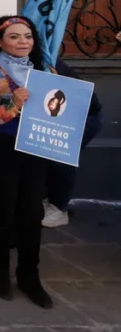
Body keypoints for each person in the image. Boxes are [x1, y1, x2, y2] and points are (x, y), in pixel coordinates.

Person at [0, 15, 53, 308]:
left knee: (32, 212)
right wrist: (14, 104)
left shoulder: (45, 71)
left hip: (36, 147)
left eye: (28, 37)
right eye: (15, 37)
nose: (23, 42)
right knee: (3, 210)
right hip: (0, 148)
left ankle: (29, 275)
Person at [42, 58, 103, 228]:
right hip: (55, 115)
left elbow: (84, 100)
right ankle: (47, 201)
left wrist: (58, 83)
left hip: (82, 116)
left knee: (61, 157)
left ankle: (58, 208)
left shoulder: (46, 60)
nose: (22, 41)